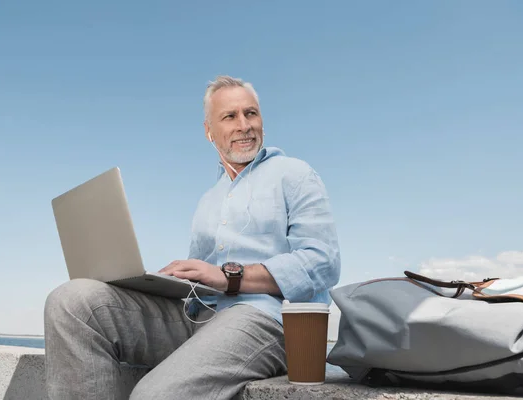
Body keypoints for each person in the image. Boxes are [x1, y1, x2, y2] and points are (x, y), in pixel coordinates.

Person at [44, 75, 341, 400]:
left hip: (265, 319)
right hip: (199, 317)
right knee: (72, 303)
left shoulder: (294, 174)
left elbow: (322, 262)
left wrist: (231, 277)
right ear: (209, 132)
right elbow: (203, 281)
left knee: (155, 395)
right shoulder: (209, 200)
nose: (244, 125)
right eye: (230, 116)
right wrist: (161, 283)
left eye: (251, 113)